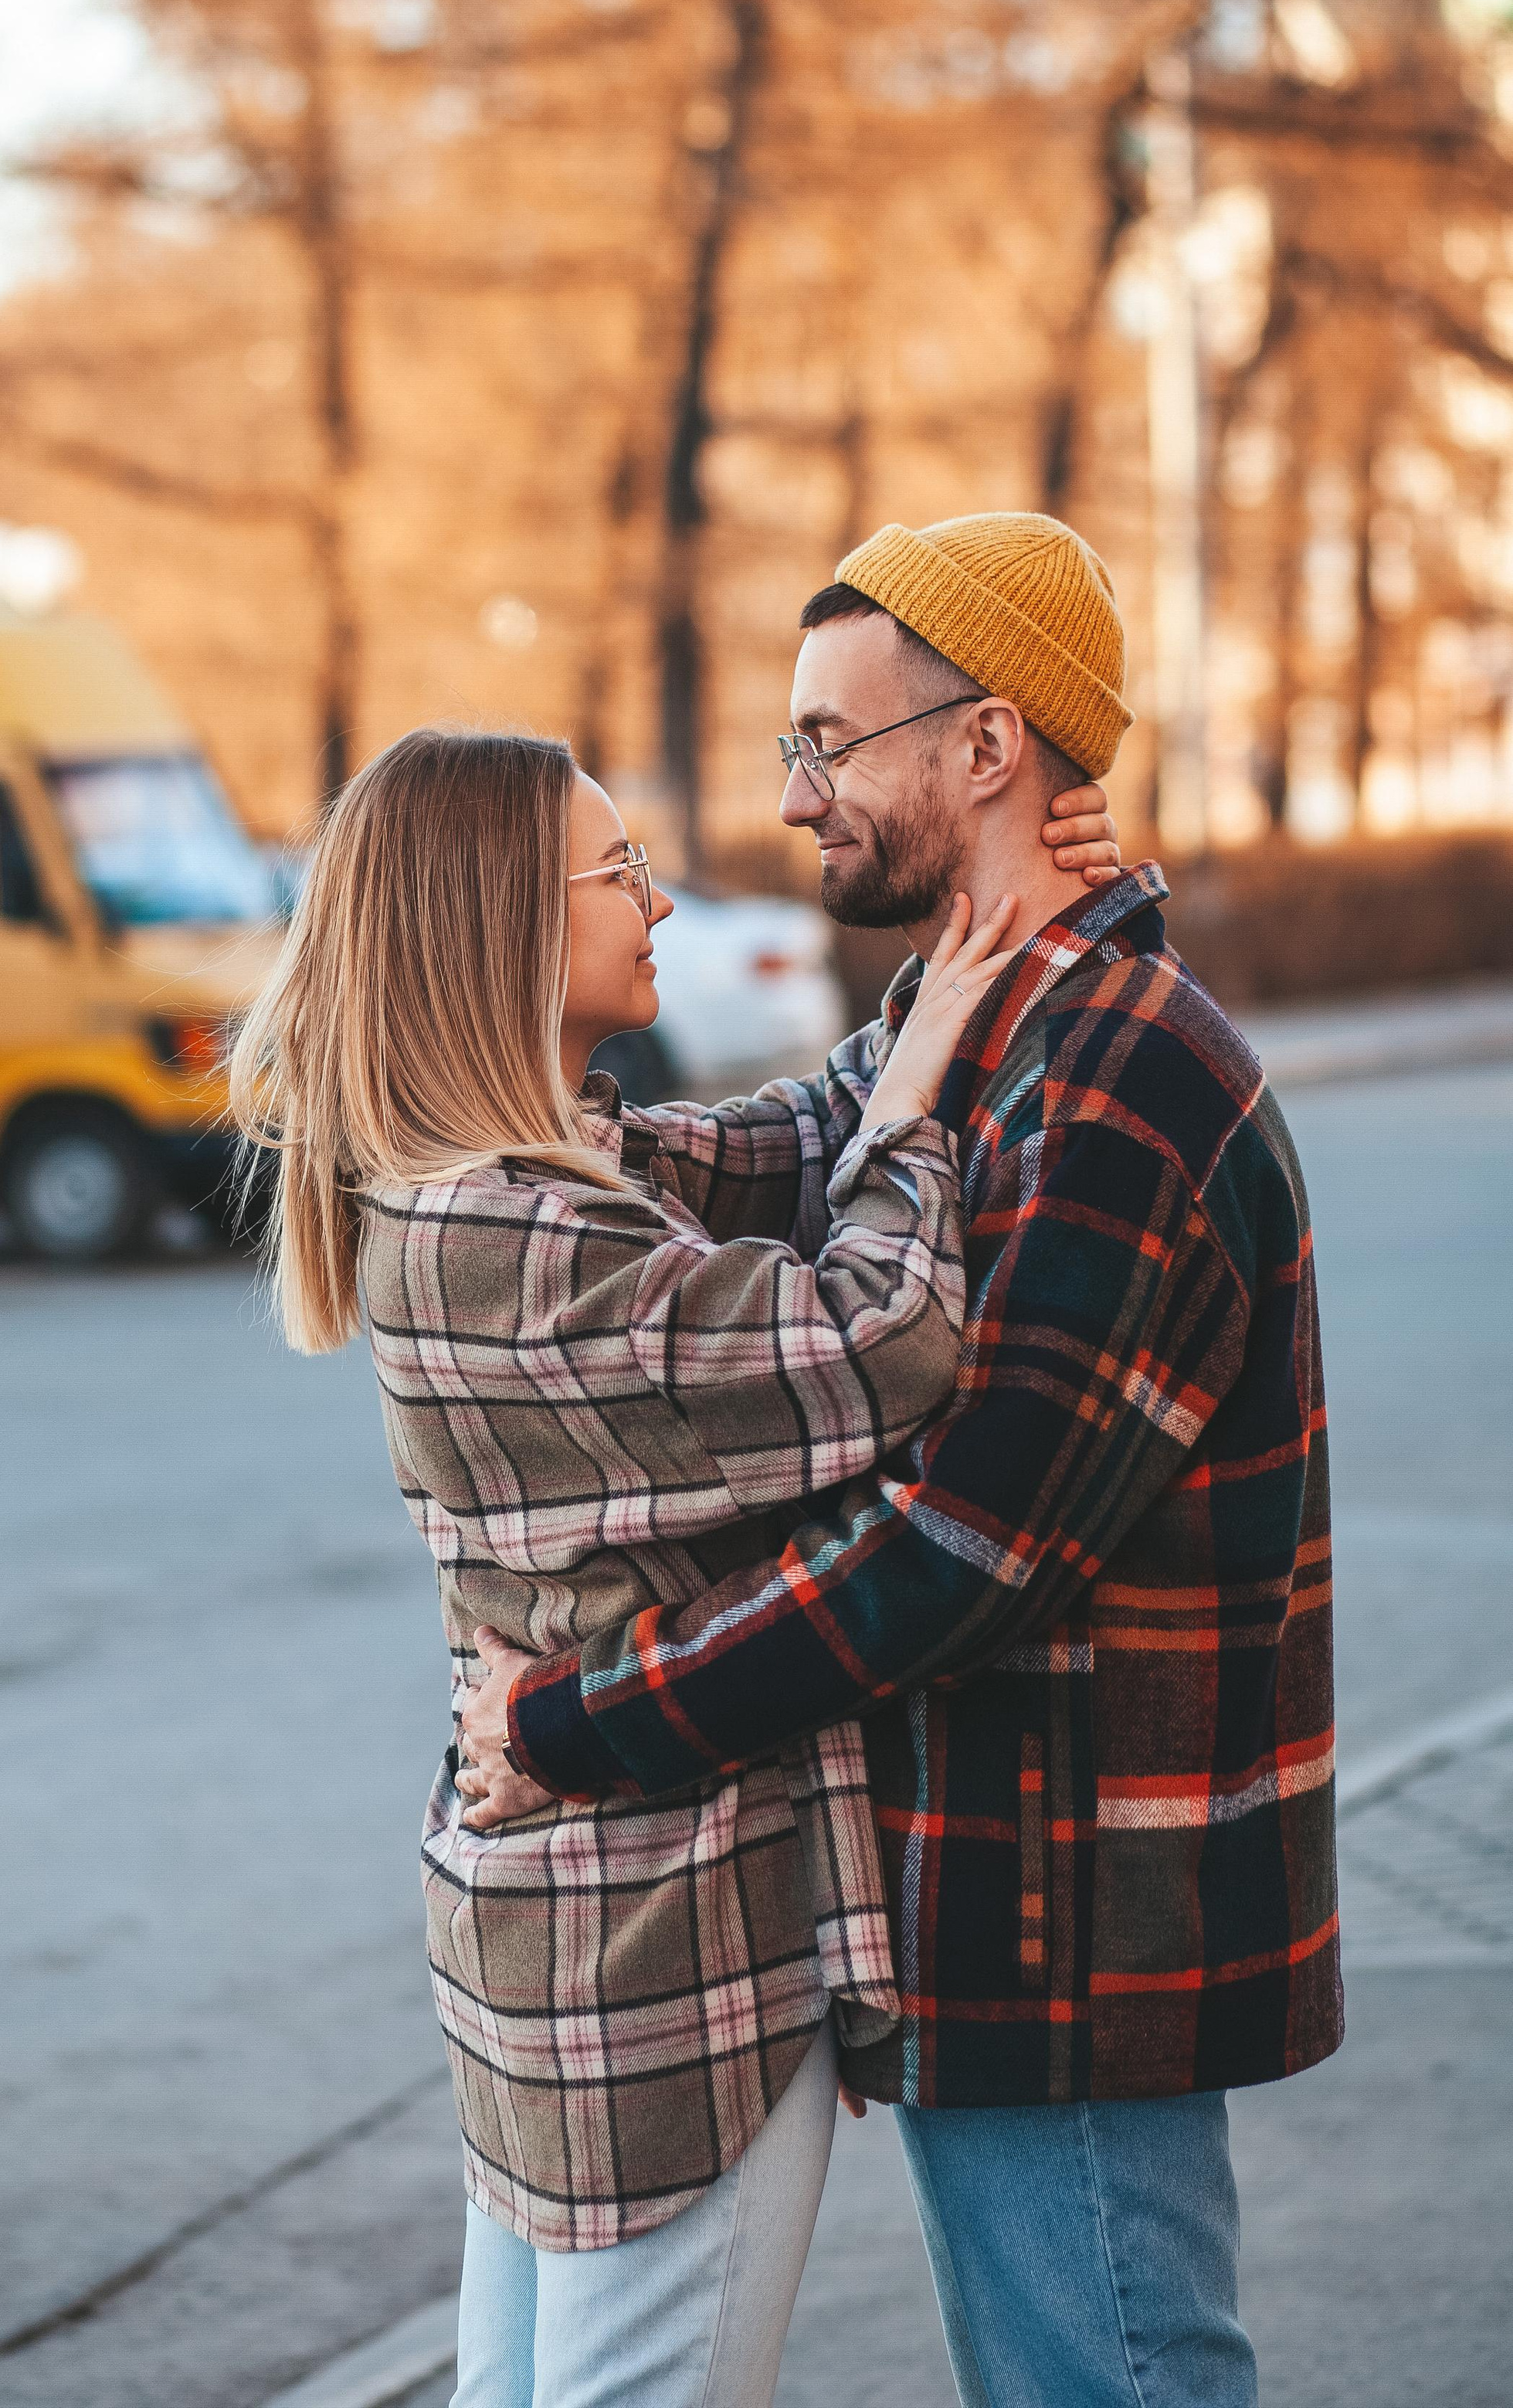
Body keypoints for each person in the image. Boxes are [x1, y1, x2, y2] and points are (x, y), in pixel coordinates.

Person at [463, 512, 1342, 2408]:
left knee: (1111, 2376)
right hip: (987, 1884)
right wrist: (455, 1092)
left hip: (1072, 1903)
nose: (793, 801)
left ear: (983, 748)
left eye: (825, 743)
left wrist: (579, 1723)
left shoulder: (1115, 1078)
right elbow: (776, 1157)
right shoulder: (989, 1024)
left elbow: (951, 1548)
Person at [229, 718, 1124, 2408]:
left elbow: (778, 1149)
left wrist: (946, 968)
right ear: (497, 921)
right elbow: (879, 1338)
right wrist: (926, 1100)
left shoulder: (515, 1179)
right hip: (661, 1930)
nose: (654, 898)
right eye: (614, 868)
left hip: (557, 1917)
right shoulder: (521, 1234)